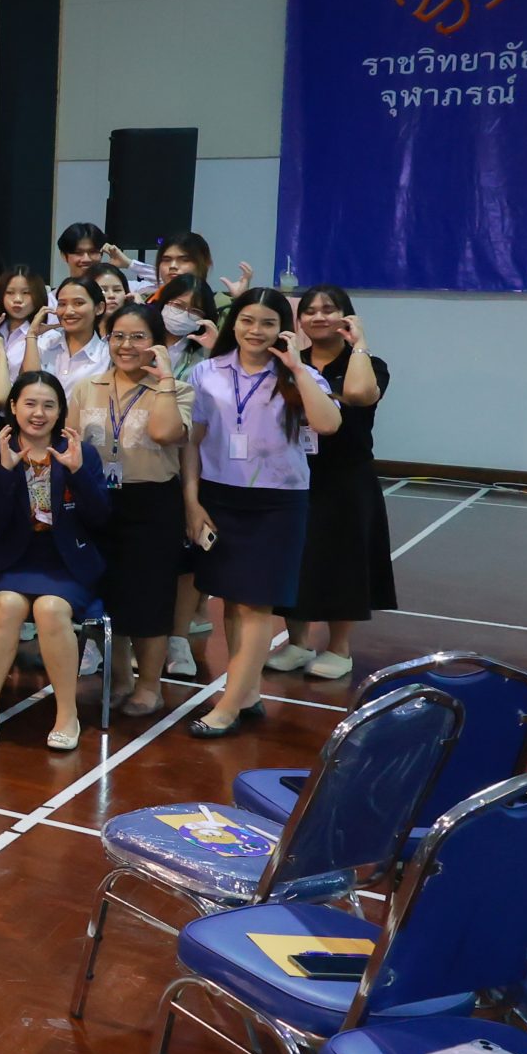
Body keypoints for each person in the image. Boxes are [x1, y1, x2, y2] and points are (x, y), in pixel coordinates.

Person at [183, 288, 342, 738]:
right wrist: (191, 501)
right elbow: (192, 443)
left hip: (278, 502)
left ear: (283, 329)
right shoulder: (206, 372)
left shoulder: (299, 375)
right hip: (220, 496)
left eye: (268, 323)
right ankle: (248, 692)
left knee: (256, 604)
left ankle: (227, 705)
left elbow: (328, 424)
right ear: (233, 322)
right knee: (233, 601)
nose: (256, 331)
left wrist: (297, 367)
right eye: (248, 320)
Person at [0, 372, 110, 750]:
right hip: (14, 561)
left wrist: (78, 473)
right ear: (13, 407)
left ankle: (67, 714)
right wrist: (5, 473)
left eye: (49, 405)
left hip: (67, 562)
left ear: (60, 411)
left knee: (50, 609)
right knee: (6, 605)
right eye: (30, 403)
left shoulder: (80, 452)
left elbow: (101, 518)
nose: (38, 413)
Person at [70, 303, 193, 717]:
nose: (126, 345)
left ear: (157, 343)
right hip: (97, 500)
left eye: (138, 337)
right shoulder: (87, 388)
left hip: (152, 503)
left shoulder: (178, 390)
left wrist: (164, 380)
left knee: (149, 596)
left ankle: (150, 686)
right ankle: (120, 678)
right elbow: (70, 444)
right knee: (107, 593)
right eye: (118, 336)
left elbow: (165, 431)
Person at [270, 286, 393, 683]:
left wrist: (360, 345)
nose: (318, 316)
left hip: (347, 476)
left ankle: (339, 648)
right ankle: (298, 642)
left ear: (346, 316)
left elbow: (358, 394)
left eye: (329, 309)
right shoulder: (291, 362)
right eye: (309, 311)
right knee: (293, 559)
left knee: (345, 562)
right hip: (295, 473)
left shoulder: (368, 363)